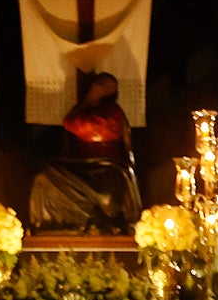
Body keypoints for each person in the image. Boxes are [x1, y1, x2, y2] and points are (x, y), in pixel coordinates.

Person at [28, 72, 142, 233]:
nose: (104, 88)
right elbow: (69, 123)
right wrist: (89, 101)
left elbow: (91, 128)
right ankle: (50, 225)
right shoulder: (81, 109)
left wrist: (92, 101)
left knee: (107, 199)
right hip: (79, 165)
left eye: (110, 86)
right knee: (44, 174)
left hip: (107, 165)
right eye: (101, 83)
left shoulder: (113, 111)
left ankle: (100, 221)